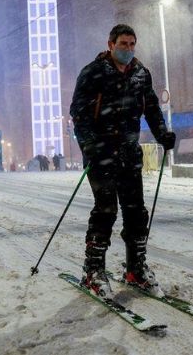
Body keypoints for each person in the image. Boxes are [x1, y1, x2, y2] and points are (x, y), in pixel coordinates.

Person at [70, 24, 176, 299]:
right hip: (101, 152)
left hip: (129, 152)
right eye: (123, 44)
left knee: (136, 211)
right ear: (110, 44)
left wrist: (163, 134)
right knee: (106, 210)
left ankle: (135, 268)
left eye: (132, 44)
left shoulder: (141, 74)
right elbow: (78, 113)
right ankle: (93, 270)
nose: (128, 49)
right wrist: (90, 145)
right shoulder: (93, 72)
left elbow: (151, 108)